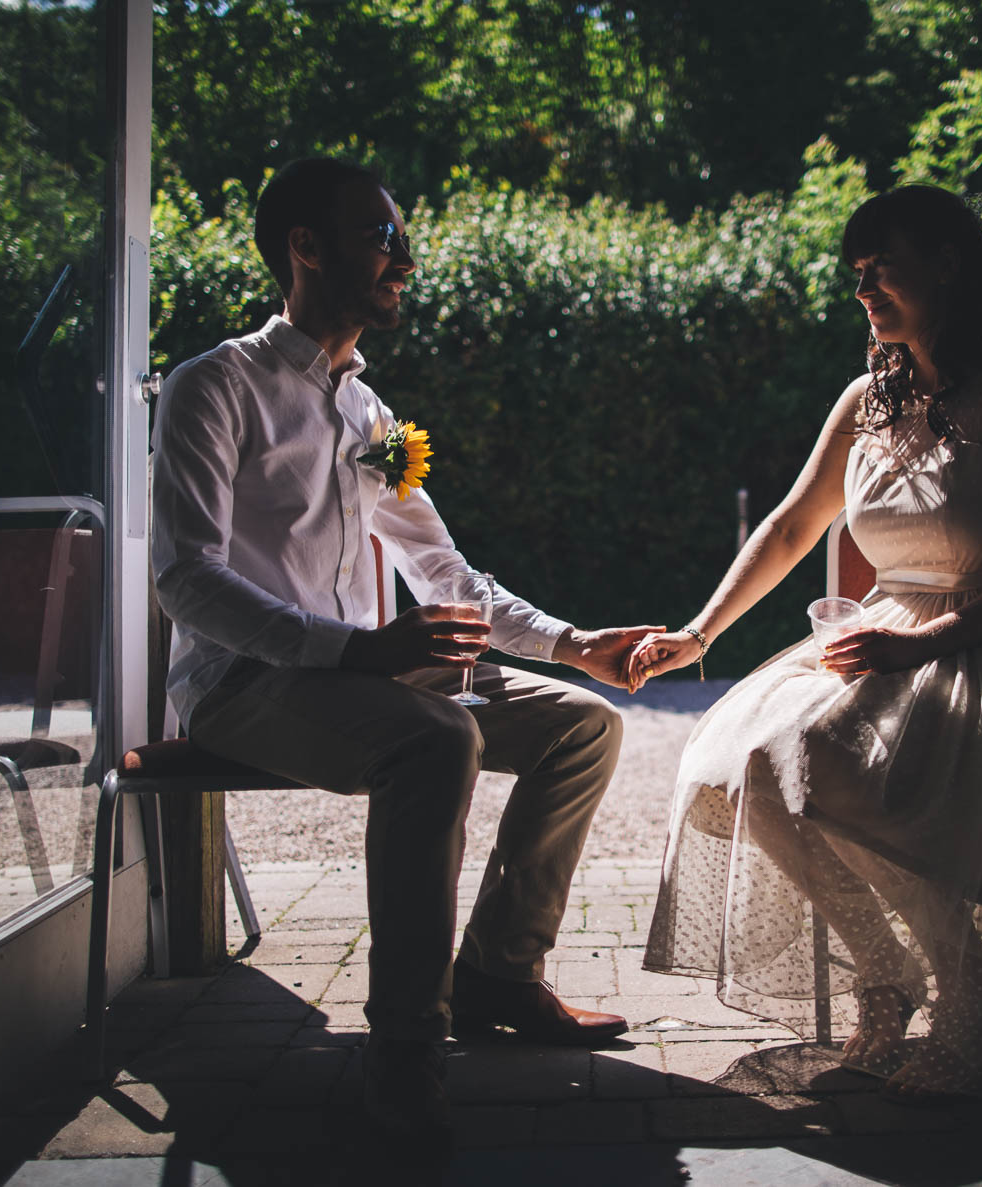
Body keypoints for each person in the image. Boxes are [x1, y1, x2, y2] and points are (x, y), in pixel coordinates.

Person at [151, 157, 659, 1138]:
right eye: (381, 236)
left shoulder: (371, 419)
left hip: (367, 665)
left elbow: (448, 581)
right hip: (242, 679)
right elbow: (185, 578)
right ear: (305, 247)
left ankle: (499, 978)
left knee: (583, 724)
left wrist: (575, 643)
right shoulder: (214, 385)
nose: (405, 258)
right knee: (436, 738)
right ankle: (406, 1046)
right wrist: (354, 652)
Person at [630, 187, 982, 1102]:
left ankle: (973, 987)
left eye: (879, 266)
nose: (864, 289)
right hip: (883, 631)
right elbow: (796, 522)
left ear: (947, 264)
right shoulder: (866, 396)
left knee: (816, 758)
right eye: (856, 274)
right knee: (741, 761)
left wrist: (928, 646)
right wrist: (697, 632)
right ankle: (887, 973)